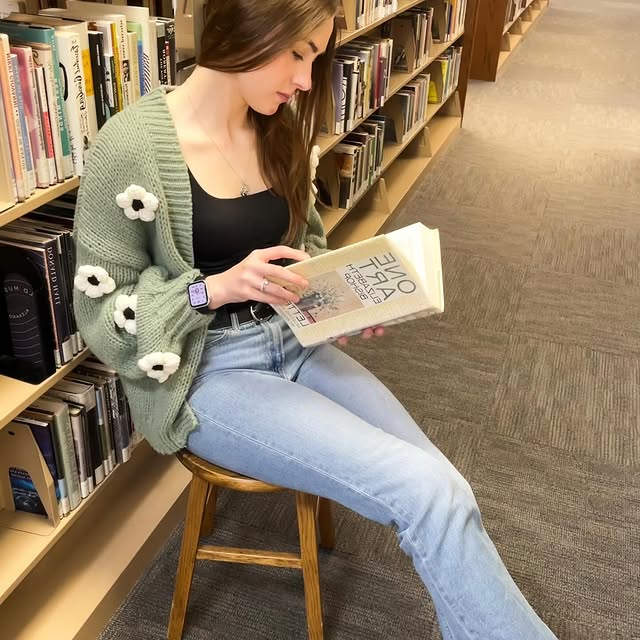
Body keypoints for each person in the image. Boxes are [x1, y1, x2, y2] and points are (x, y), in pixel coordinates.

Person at [72, 0, 558, 638]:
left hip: (294, 342)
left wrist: (343, 300)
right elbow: (101, 313)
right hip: (206, 374)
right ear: (245, 27)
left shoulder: (279, 129)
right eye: (298, 54)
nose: (306, 80)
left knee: (447, 486)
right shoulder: (129, 147)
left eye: (316, 58)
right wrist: (211, 290)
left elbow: (307, 248)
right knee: (424, 492)